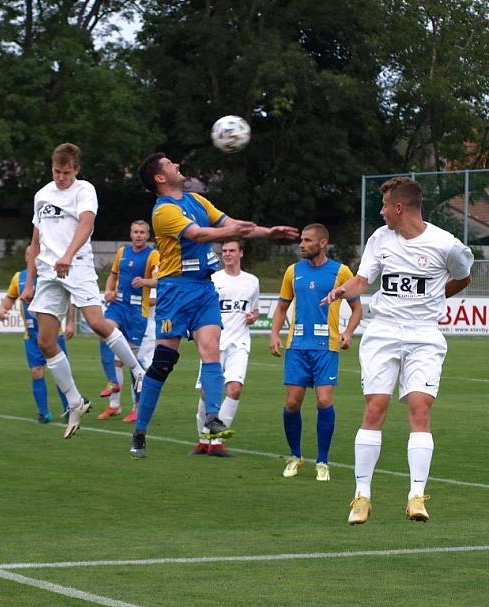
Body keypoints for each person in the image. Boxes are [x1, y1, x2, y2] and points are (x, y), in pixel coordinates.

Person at [321, 177, 473, 524]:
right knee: (375, 409)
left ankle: (416, 496)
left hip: (424, 336)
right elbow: (364, 280)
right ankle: (362, 496)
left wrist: (437, 297)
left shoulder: (446, 245)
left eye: (385, 204)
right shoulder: (380, 238)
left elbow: (463, 277)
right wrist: (343, 290)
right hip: (383, 333)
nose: (381, 210)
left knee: (420, 410)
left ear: (400, 207)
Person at [130, 153, 298, 458]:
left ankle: (212, 416)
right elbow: (200, 234)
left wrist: (268, 232)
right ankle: (140, 429)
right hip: (175, 289)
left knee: (211, 347)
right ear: (159, 177)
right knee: (164, 362)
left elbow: (231, 224)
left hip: (204, 288)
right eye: (170, 164)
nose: (177, 165)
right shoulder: (163, 211)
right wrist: (234, 231)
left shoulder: (196, 200)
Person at [19, 142, 146, 439]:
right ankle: (76, 400)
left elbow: (86, 225)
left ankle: (139, 373)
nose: (61, 177)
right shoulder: (42, 195)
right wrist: (28, 282)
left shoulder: (85, 190)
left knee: (97, 322)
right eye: (56, 172)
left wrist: (67, 255)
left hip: (76, 265)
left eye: (66, 172)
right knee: (45, 341)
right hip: (49, 272)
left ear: (76, 169)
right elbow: (35, 240)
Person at [270, 224, 363, 481]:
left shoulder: (341, 271)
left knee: (324, 401)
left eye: (307, 240)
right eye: (301, 240)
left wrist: (348, 333)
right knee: (292, 403)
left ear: (322, 243)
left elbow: (357, 309)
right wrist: (275, 334)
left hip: (326, 347)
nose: (301, 244)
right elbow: (281, 308)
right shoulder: (293, 271)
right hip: (297, 346)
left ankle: (322, 460)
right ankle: (295, 455)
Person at [190, 239, 260, 457]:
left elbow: (255, 310)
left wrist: (252, 316)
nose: (227, 254)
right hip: (212, 343)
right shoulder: (212, 279)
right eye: (224, 251)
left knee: (235, 389)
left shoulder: (252, 282)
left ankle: (217, 441)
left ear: (241, 253)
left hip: (239, 343)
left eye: (232, 251)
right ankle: (203, 439)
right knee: (207, 392)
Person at [0, 246, 75, 423]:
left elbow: (68, 299)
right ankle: (44, 413)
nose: (33, 257)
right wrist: (3, 309)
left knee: (60, 374)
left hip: (55, 335)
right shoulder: (19, 277)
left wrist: (70, 322)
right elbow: (10, 297)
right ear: (27, 257)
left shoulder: (51, 274)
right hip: (31, 336)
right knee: (36, 372)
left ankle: (69, 409)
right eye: (29, 254)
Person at [96, 220, 159, 421]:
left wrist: (145, 281)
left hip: (137, 312)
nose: (138, 235)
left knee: (131, 360)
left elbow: (159, 279)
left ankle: (137, 408)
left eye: (142, 232)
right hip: (118, 306)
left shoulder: (153, 255)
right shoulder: (122, 252)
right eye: (135, 232)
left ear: (147, 235)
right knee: (103, 332)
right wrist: (108, 290)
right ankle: (113, 394)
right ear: (130, 234)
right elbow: (113, 276)